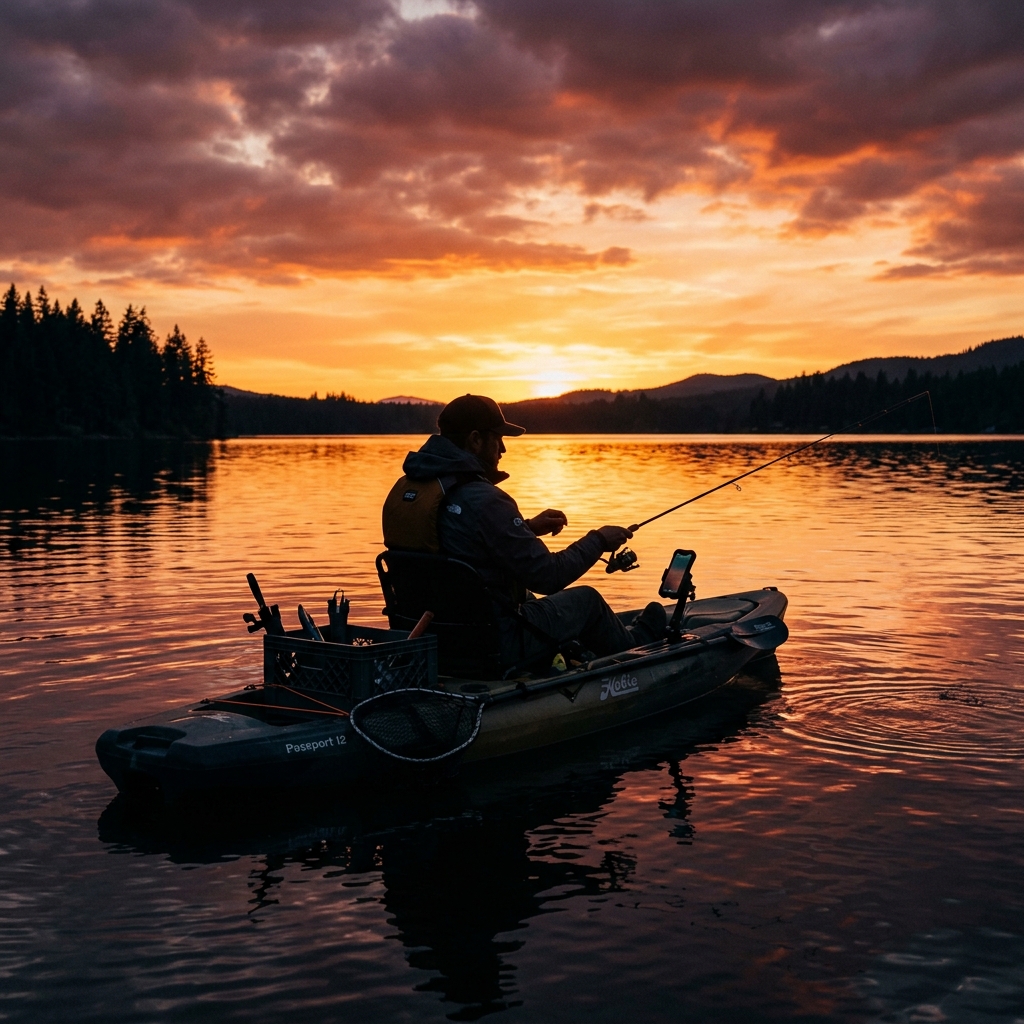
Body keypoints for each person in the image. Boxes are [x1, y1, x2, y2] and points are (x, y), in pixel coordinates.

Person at [382, 394, 666, 671]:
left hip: (428, 639)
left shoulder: (411, 491)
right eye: (498, 439)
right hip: (491, 644)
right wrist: (599, 540)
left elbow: (454, 545)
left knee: (526, 596)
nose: (503, 450)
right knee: (587, 601)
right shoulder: (485, 499)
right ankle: (637, 647)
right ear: (475, 439)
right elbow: (548, 576)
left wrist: (526, 528)